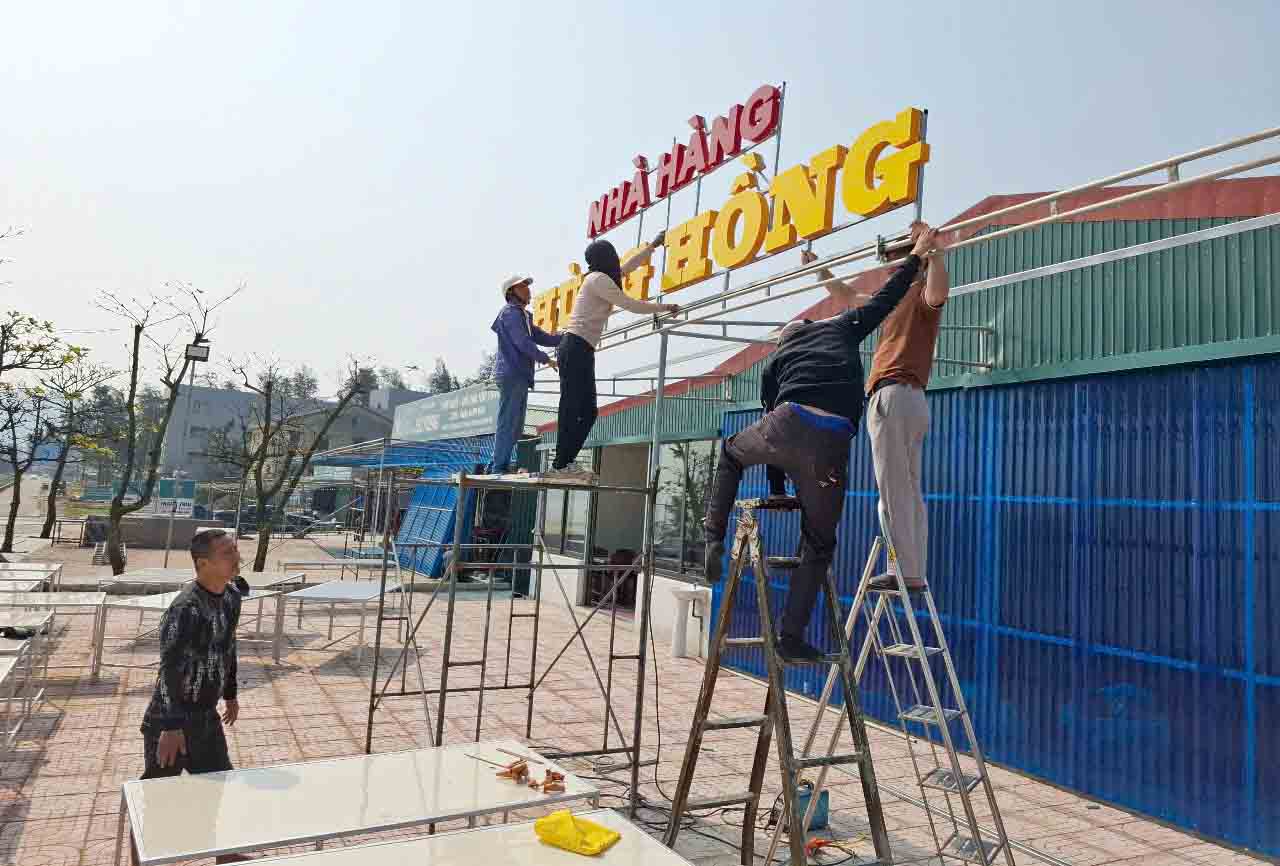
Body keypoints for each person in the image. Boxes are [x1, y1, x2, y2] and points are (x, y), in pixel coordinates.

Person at [702, 226, 938, 663]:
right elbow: (886, 298)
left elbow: (769, 416)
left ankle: (712, 535)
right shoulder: (842, 329)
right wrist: (917, 259)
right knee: (818, 544)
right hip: (833, 442)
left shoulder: (776, 360)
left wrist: (776, 487)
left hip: (786, 426)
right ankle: (790, 638)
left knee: (732, 452)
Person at [804, 222, 950, 591]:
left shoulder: (918, 294)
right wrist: (820, 270)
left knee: (893, 488)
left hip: (894, 394)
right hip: (910, 399)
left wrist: (934, 253)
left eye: (893, 258)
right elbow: (849, 296)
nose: (888, 266)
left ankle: (901, 570)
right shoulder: (895, 299)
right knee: (909, 489)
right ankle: (913, 571)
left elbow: (939, 293)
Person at [138, 529, 251, 862]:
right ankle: (149, 856)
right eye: (227, 553)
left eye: (235, 551)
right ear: (203, 563)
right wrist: (171, 728)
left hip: (206, 715)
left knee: (219, 785)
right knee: (160, 797)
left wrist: (230, 693)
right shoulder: (184, 609)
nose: (236, 558)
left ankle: (225, 854)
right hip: (170, 719)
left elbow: (228, 649)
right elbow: (169, 670)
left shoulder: (231, 597)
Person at [547, 233, 679, 480]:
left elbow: (629, 266)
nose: (617, 260)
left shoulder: (603, 277)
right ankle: (561, 464)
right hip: (574, 346)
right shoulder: (598, 281)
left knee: (588, 411)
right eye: (612, 255)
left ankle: (564, 462)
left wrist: (652, 246)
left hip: (582, 348)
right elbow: (631, 304)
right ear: (605, 258)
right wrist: (665, 307)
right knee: (572, 407)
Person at [490, 275, 562, 473]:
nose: (528, 290)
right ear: (511, 292)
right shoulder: (510, 314)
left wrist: (565, 338)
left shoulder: (523, 316)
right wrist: (546, 359)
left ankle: (499, 464)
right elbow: (523, 342)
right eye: (523, 287)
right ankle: (498, 467)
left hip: (519, 375)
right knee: (508, 422)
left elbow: (542, 337)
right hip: (512, 374)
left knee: (516, 425)